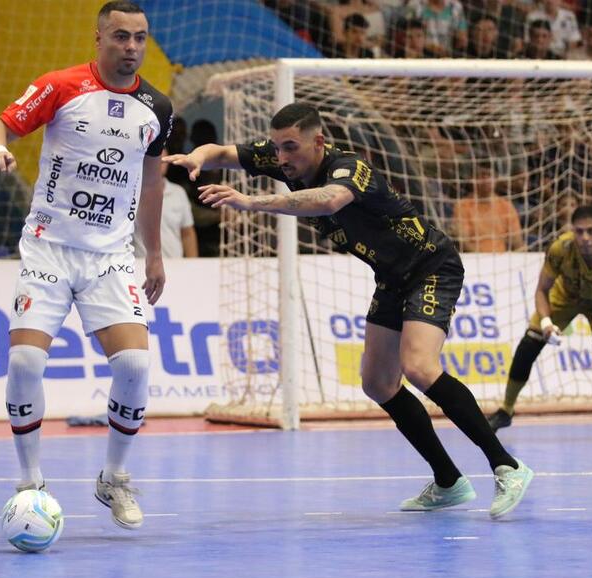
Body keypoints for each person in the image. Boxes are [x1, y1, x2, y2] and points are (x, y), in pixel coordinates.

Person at [166, 102, 534, 519]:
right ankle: (448, 480)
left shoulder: (349, 168)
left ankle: (507, 465)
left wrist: (252, 202)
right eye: (277, 148)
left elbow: (329, 201)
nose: (282, 158)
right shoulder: (281, 158)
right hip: (391, 277)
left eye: (291, 148)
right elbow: (221, 152)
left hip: (431, 264)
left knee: (419, 367)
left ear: (318, 142)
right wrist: (198, 156)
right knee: (378, 383)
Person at [0, 1, 172, 530]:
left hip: (110, 257)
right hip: (48, 249)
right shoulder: (60, 86)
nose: (131, 47)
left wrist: (153, 252)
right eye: (121, 36)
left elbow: (153, 183)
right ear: (99, 38)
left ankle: (113, 478)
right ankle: (30, 483)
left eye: (139, 37)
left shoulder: (157, 107)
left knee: (134, 367)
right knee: (24, 364)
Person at [488, 205, 592, 440]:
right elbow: (542, 290)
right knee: (528, 346)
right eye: (579, 232)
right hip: (563, 299)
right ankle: (505, 410)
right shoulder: (560, 248)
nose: (585, 238)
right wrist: (547, 322)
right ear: (572, 230)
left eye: (591, 231)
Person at [133, 150, 196, 260]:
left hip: (177, 266)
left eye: (163, 161)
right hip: (140, 267)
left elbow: (187, 233)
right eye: (156, 160)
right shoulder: (132, 193)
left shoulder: (178, 193)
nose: (159, 164)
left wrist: (193, 265)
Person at [452, 161, 524, 252]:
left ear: (496, 178)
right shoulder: (462, 206)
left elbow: (517, 242)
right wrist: (485, 259)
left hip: (502, 260)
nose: (486, 179)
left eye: (489, 175)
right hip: (473, 259)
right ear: (472, 179)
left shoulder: (506, 206)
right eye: (482, 175)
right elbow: (464, 243)